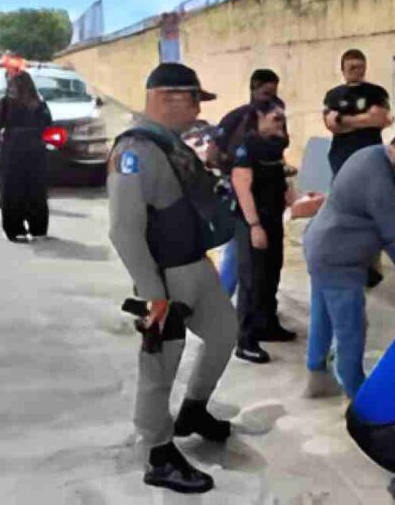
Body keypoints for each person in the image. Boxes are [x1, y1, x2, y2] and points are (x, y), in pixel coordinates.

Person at [107, 62, 238, 495]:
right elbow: (124, 229)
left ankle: (194, 411)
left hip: (194, 266)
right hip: (163, 279)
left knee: (223, 335)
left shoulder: (170, 145)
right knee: (159, 367)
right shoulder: (135, 150)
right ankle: (157, 453)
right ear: (170, 98)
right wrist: (151, 294)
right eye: (196, 100)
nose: (200, 110)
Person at [302, 121, 395, 399]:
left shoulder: (376, 158)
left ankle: (316, 376)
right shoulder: (376, 173)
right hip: (337, 257)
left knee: (324, 315)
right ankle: (358, 395)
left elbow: (390, 229)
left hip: (324, 247)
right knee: (351, 327)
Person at [322, 48, 395, 298]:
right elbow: (330, 123)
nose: (356, 71)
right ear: (343, 69)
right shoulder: (334, 94)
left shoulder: (376, 93)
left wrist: (348, 121)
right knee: (355, 220)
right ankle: (367, 269)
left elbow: (383, 119)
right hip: (343, 163)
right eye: (351, 67)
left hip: (377, 163)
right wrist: (365, 119)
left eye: (360, 66)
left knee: (388, 219)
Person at [210, 69, 288, 297]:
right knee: (237, 255)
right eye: (266, 93)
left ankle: (259, 311)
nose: (271, 99)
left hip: (267, 197)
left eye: (274, 93)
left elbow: (278, 150)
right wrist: (234, 166)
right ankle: (222, 306)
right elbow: (213, 155)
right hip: (241, 195)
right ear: (254, 89)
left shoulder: (278, 116)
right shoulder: (238, 118)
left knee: (259, 260)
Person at [231, 100, 298, 363]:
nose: (281, 123)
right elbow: (242, 186)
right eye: (276, 118)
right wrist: (254, 226)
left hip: (272, 217)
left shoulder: (274, 146)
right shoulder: (247, 147)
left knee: (271, 273)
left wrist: (292, 197)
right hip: (253, 221)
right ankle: (245, 340)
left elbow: (280, 175)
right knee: (251, 280)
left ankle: (267, 324)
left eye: (283, 118)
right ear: (259, 116)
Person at [0, 72, 53, 242]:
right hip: (36, 154)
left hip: (13, 153)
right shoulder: (39, 105)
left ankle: (15, 229)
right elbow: (48, 126)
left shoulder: (5, 104)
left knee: (12, 191)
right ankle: (38, 229)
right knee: (35, 190)